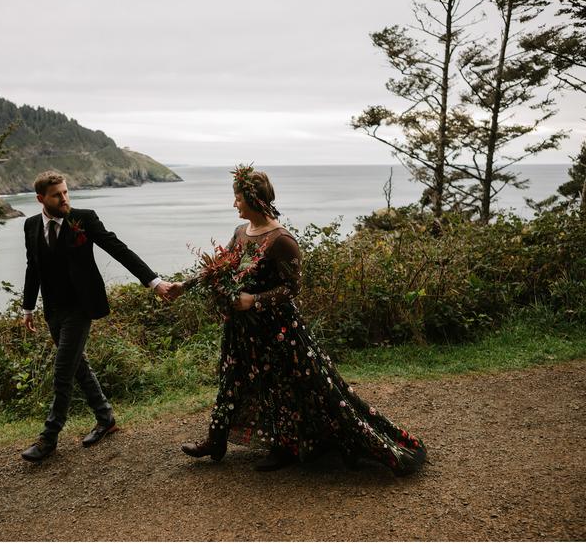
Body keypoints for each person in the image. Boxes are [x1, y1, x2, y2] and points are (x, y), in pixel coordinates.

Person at [169, 165, 427, 473]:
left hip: (276, 329)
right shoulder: (240, 233)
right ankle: (216, 439)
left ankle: (286, 447)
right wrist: (184, 285)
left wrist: (255, 300)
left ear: (254, 200)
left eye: (237, 198)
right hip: (241, 328)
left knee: (281, 386)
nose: (234, 204)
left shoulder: (282, 240)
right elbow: (220, 267)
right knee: (231, 379)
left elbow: (293, 288)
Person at [20, 170, 173, 462]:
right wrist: (28, 308)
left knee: (62, 371)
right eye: (57, 195)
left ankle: (48, 438)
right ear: (41, 198)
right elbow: (32, 268)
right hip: (53, 310)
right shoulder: (30, 226)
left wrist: (154, 282)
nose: (64, 198)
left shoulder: (84, 219)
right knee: (78, 367)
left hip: (81, 308)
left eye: (66, 192)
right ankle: (106, 419)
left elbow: (118, 249)